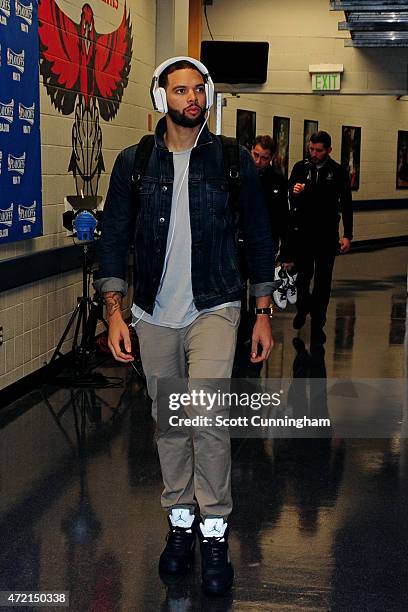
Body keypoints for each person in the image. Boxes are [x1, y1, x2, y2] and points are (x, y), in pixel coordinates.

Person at [94, 56, 275, 596]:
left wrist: (262, 312)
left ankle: (215, 530)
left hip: (215, 305)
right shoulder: (134, 163)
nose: (191, 99)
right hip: (152, 311)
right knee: (169, 421)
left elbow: (260, 237)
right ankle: (180, 525)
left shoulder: (232, 162)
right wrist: (114, 311)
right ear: (161, 98)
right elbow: (113, 239)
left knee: (207, 415)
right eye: (180, 91)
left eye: (199, 90)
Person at [288, 130, 353, 345]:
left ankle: (318, 322)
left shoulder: (338, 172)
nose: (314, 154)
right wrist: (295, 191)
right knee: (303, 278)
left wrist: (347, 234)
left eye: (319, 150)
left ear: (328, 150)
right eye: (311, 149)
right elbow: (290, 195)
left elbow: (346, 203)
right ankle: (303, 307)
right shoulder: (301, 168)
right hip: (304, 234)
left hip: (326, 235)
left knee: (323, 282)